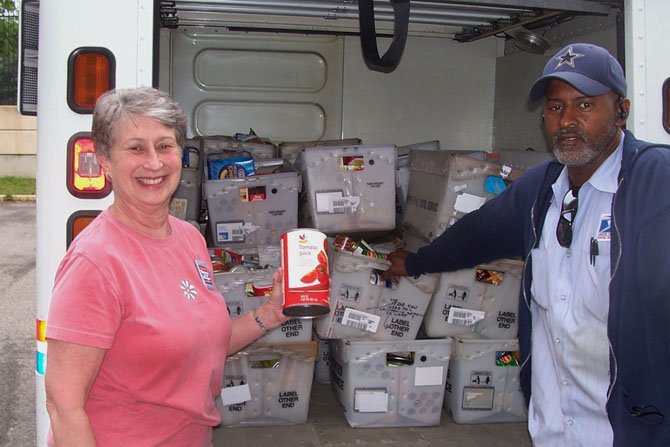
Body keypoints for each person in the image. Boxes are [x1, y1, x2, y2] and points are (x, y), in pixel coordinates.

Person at [382, 43, 670, 446]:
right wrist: (415, 263)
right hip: (554, 422)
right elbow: (475, 235)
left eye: (584, 106)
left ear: (621, 110)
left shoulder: (655, 179)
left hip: (630, 426)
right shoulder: (542, 188)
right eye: (555, 108)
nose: (566, 121)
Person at [44, 86, 289, 446]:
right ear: (106, 162)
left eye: (165, 146)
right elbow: (63, 405)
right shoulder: (95, 262)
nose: (154, 163)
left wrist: (271, 312)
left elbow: (202, 343)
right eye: (135, 148)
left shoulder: (188, 237)